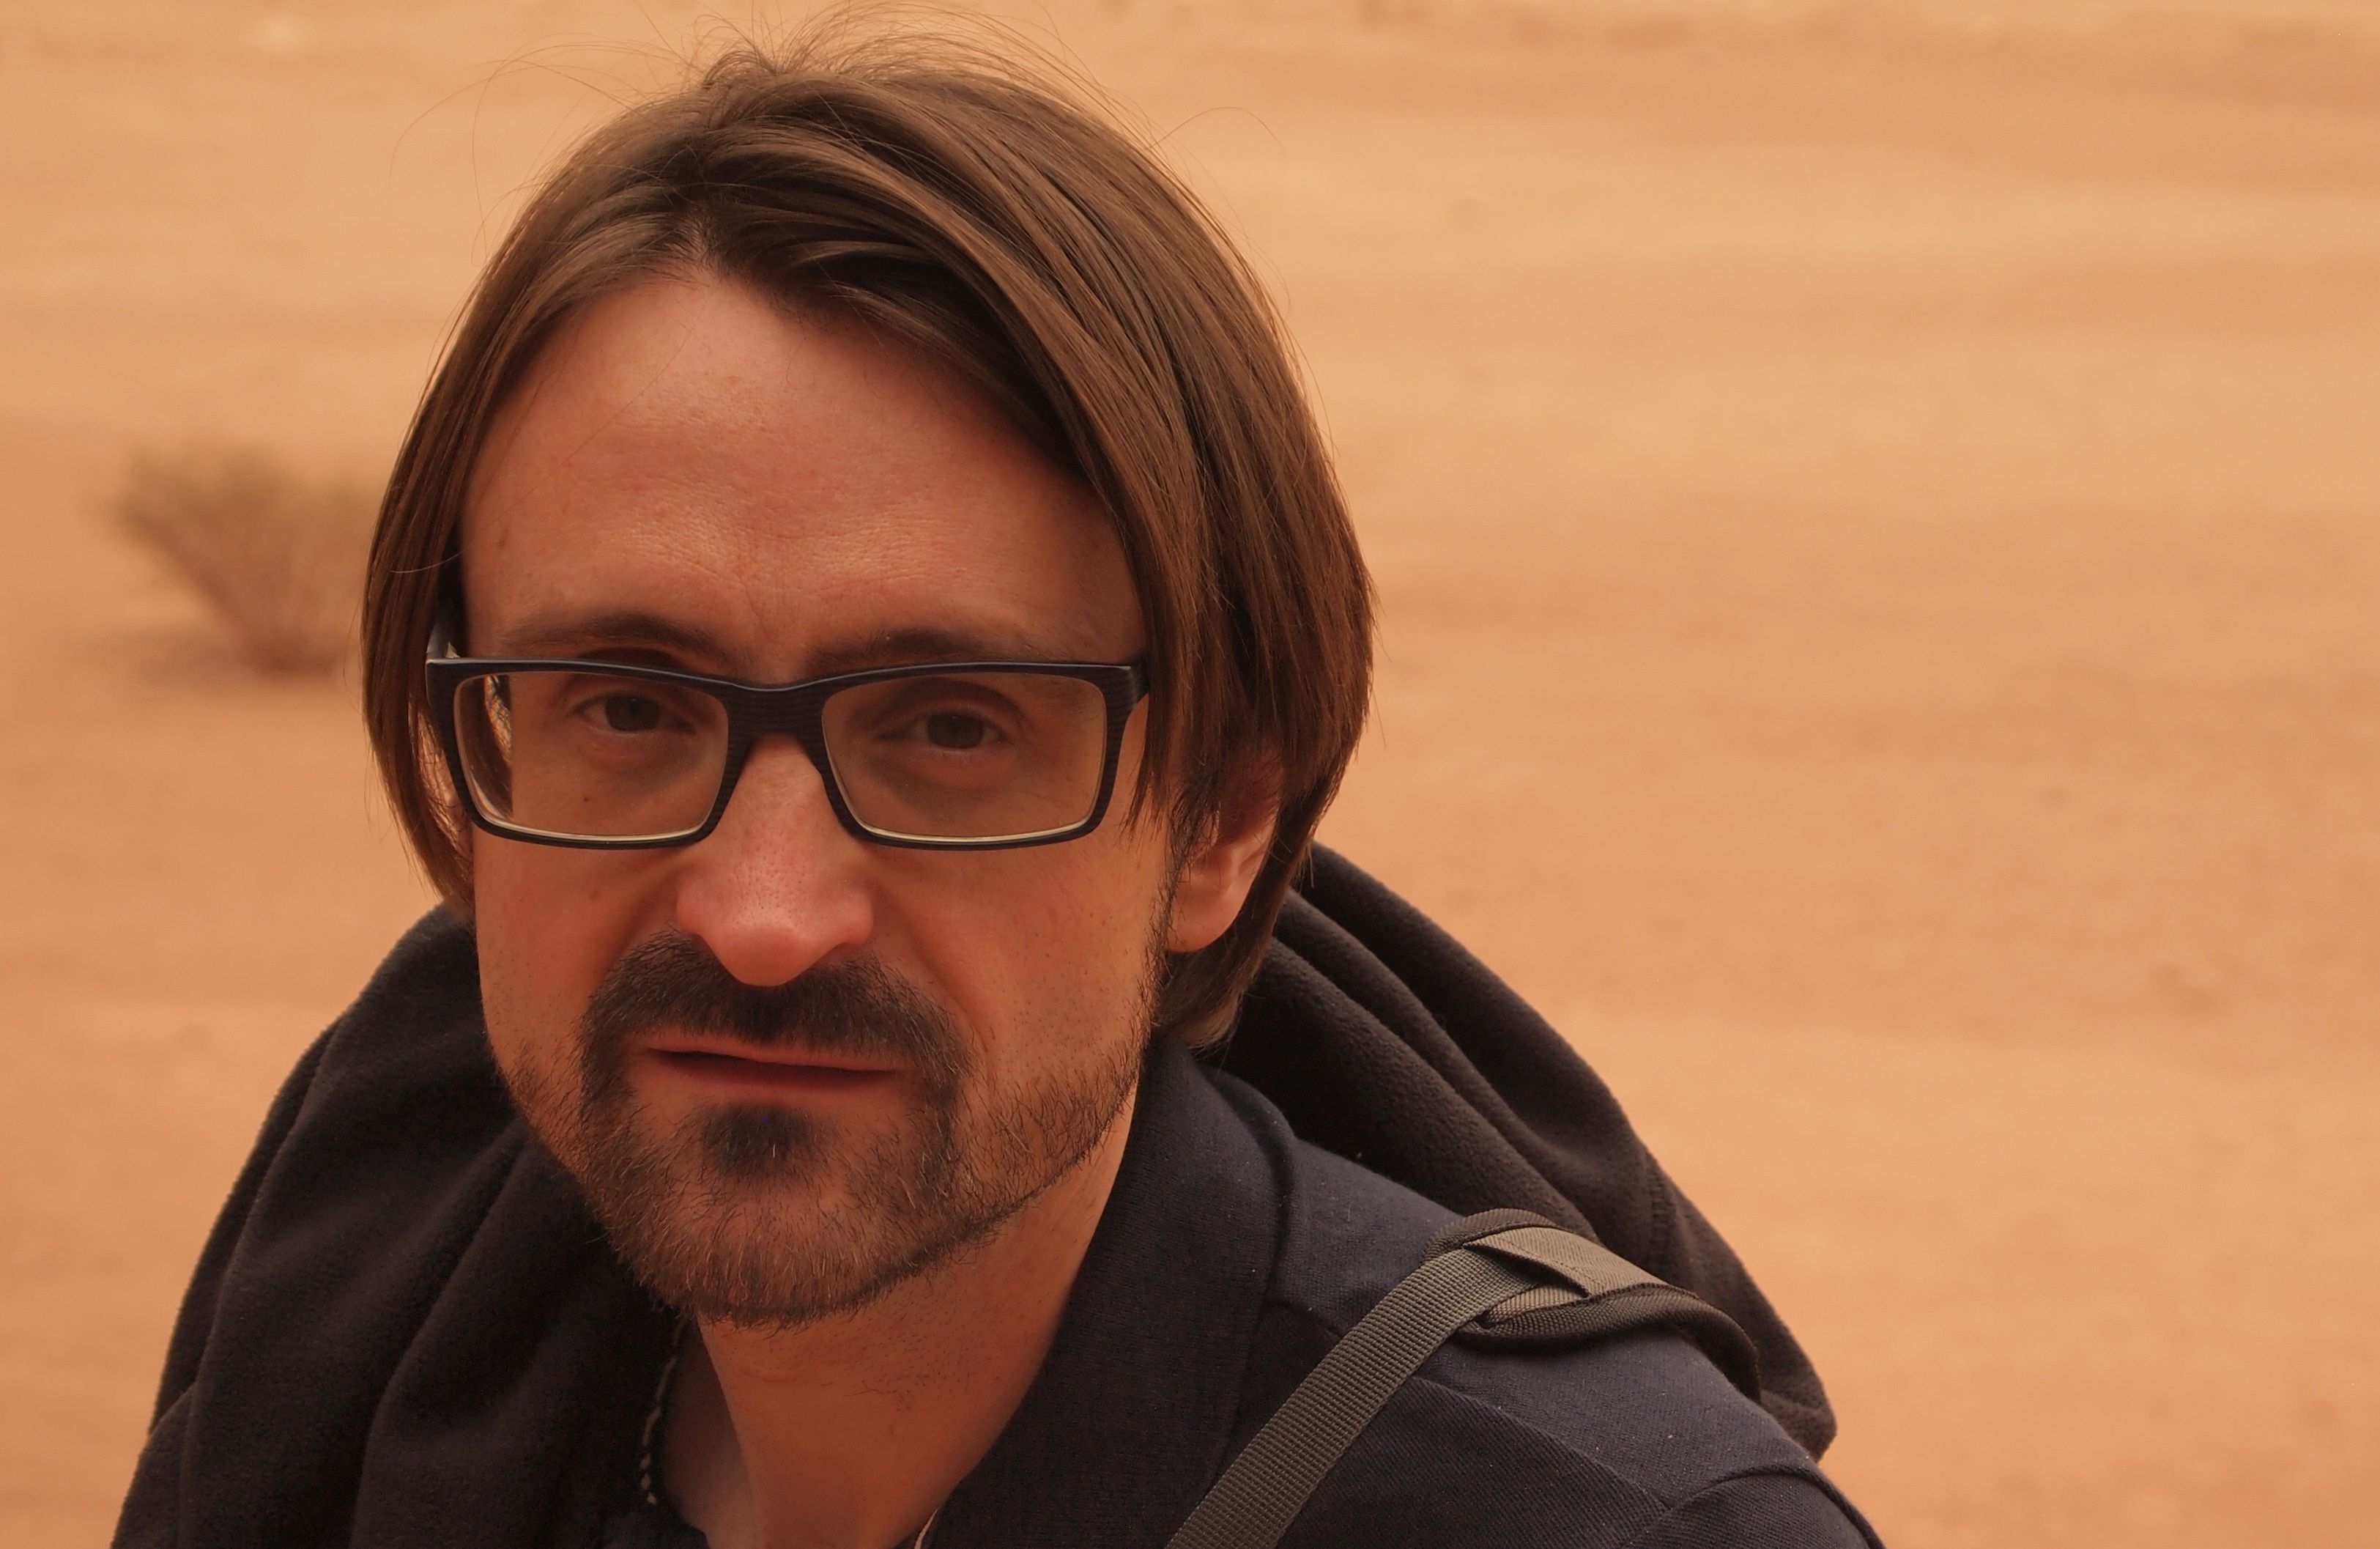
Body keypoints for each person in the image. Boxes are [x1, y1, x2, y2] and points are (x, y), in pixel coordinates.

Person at [118, 28, 1880, 1549]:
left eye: (951, 729)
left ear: (1218, 823)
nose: (761, 917)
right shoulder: (367, 1294)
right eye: (630, 705)